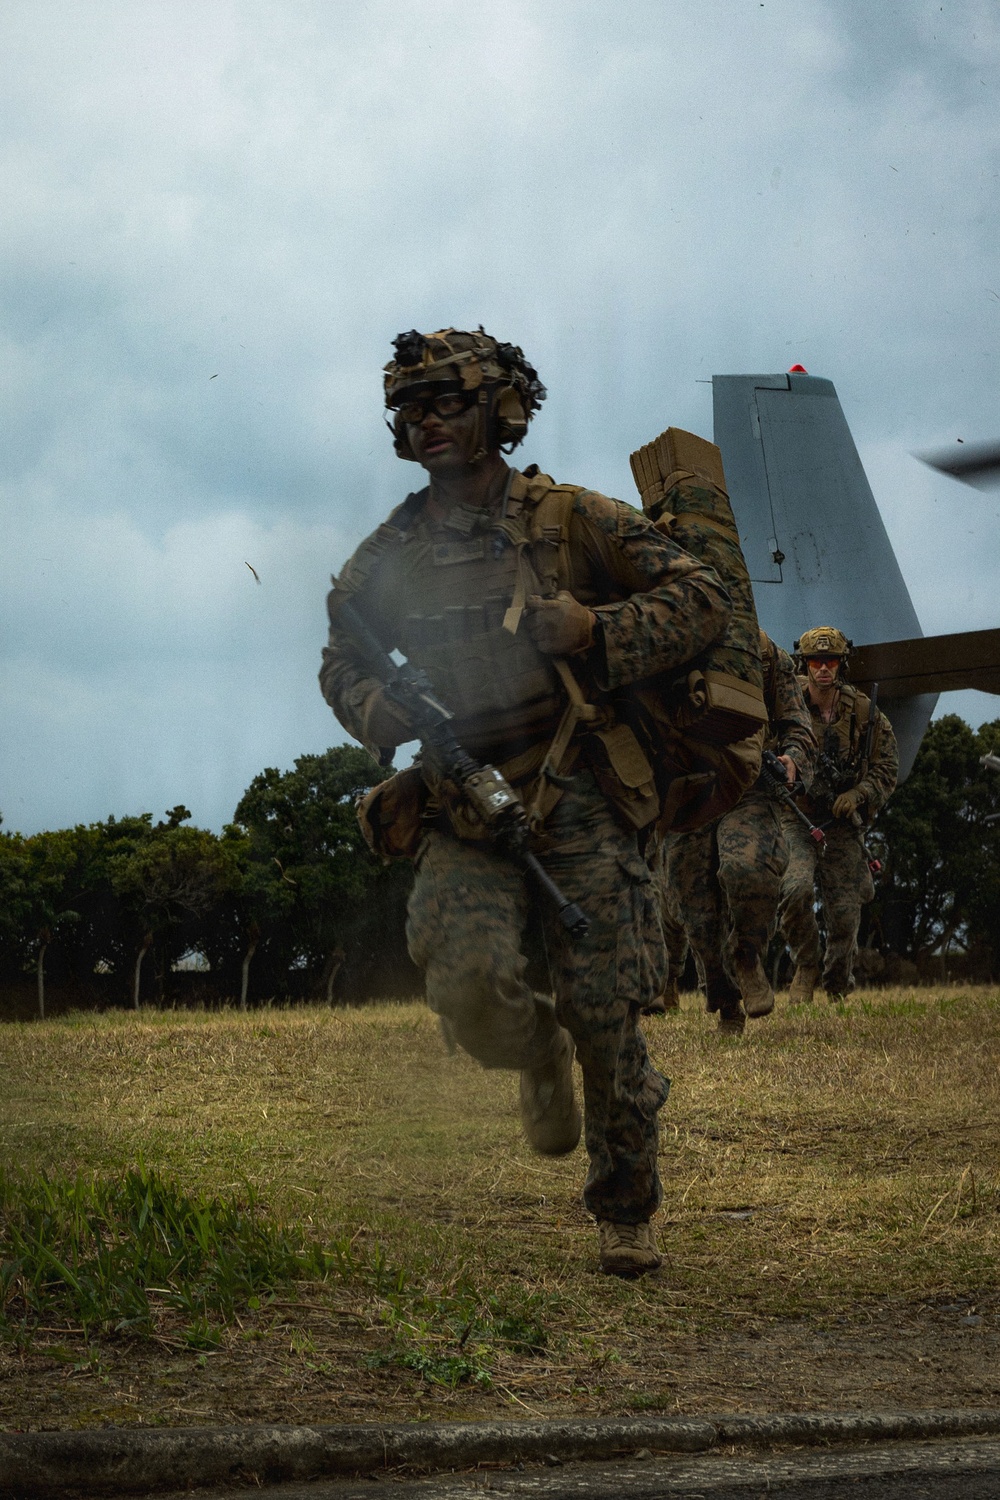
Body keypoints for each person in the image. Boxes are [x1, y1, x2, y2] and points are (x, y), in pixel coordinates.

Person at [319, 327, 732, 1276]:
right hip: (461, 793)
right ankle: (534, 1051)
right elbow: (341, 653)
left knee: (606, 1011)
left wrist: (599, 625)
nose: (426, 422)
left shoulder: (572, 517)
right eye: (410, 408)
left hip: (581, 781)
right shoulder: (390, 553)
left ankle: (626, 1207)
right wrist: (372, 706)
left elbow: (702, 599)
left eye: (448, 402)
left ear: (500, 408)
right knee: (466, 982)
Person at [652, 631, 817, 1035]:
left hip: (747, 785)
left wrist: (792, 762)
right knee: (695, 910)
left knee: (748, 870)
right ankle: (726, 1002)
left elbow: (798, 725)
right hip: (686, 793)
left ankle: (746, 955)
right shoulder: (668, 642)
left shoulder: (764, 655)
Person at [777, 626, 898, 1003]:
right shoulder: (785, 704)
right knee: (794, 891)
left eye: (830, 660)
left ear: (841, 664)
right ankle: (806, 965)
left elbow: (887, 767)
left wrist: (859, 794)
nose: (823, 668)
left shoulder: (864, 711)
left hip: (843, 827)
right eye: (816, 661)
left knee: (845, 915)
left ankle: (836, 983)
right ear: (805, 663)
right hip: (798, 818)